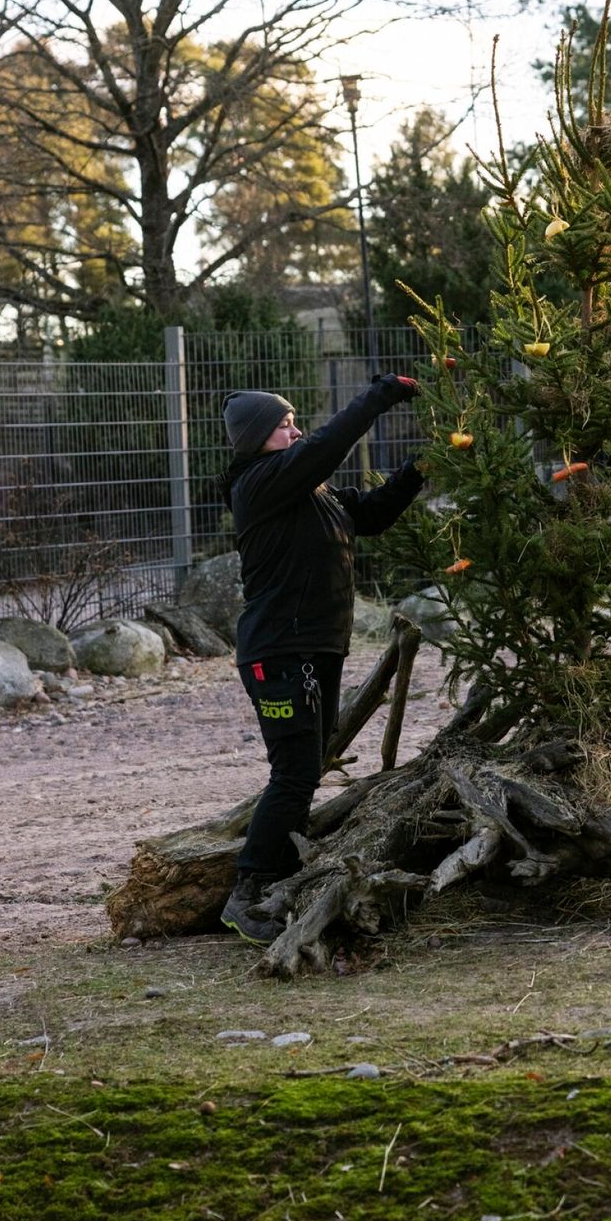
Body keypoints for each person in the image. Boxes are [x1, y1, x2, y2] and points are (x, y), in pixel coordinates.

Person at [217, 375, 423, 945]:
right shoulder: (259, 483)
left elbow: (372, 515)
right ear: (256, 438)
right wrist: (380, 395)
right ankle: (246, 892)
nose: (295, 431)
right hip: (279, 653)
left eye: (293, 422)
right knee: (295, 772)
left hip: (317, 650)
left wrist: (418, 470)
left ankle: (283, 876)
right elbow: (326, 446)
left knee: (307, 765)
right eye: (283, 425)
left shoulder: (317, 494)